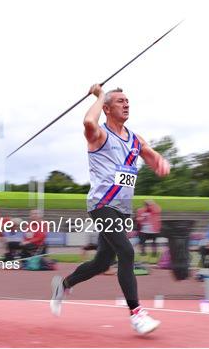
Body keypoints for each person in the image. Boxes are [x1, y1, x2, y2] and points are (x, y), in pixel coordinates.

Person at [50, 84, 170, 335]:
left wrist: (160, 161)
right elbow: (87, 121)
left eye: (128, 101)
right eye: (119, 101)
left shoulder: (135, 138)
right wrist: (98, 95)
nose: (126, 104)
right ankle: (137, 314)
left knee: (102, 262)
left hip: (123, 209)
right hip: (102, 205)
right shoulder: (99, 135)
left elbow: (149, 154)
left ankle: (63, 285)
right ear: (106, 108)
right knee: (126, 253)